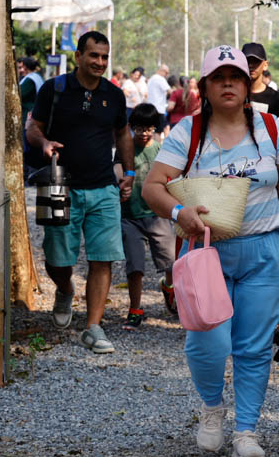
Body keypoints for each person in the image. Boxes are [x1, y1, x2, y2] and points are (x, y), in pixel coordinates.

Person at [142, 44, 279, 457]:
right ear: (204, 86)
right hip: (206, 252)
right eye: (218, 78)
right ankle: (211, 409)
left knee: (254, 346)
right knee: (206, 340)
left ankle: (246, 430)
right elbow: (152, 186)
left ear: (247, 84)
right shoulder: (188, 131)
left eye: (235, 78)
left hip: (265, 250)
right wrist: (179, 211)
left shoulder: (270, 128)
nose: (228, 85)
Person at [26, 31, 134, 355]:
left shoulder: (114, 95)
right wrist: (43, 143)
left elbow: (123, 133)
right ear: (78, 57)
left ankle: (93, 327)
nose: (100, 62)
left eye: (104, 56)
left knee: (103, 258)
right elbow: (34, 127)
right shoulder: (54, 89)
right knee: (56, 259)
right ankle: (64, 287)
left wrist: (128, 173)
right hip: (57, 183)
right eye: (93, 56)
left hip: (103, 188)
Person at [119, 104, 177, 329]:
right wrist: (120, 182)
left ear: (156, 128)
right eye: (139, 128)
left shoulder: (161, 151)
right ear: (131, 127)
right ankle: (135, 308)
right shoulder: (125, 148)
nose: (144, 133)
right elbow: (117, 167)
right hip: (130, 217)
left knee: (172, 263)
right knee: (135, 267)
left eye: (149, 128)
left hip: (158, 215)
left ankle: (169, 289)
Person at [242, 42, 279, 117]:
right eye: (247, 61)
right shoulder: (235, 94)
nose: (250, 65)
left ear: (265, 65)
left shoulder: (275, 98)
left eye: (255, 61)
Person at [18, 57, 44, 127]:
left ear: (25, 67)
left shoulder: (30, 80)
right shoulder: (38, 76)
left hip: (28, 114)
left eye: (22, 66)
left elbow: (19, 94)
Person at [145, 64, 171, 132]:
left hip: (150, 109)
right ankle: (157, 143)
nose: (167, 75)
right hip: (159, 109)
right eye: (167, 73)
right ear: (163, 71)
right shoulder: (160, 79)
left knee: (151, 131)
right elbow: (169, 91)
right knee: (158, 132)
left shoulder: (151, 78)